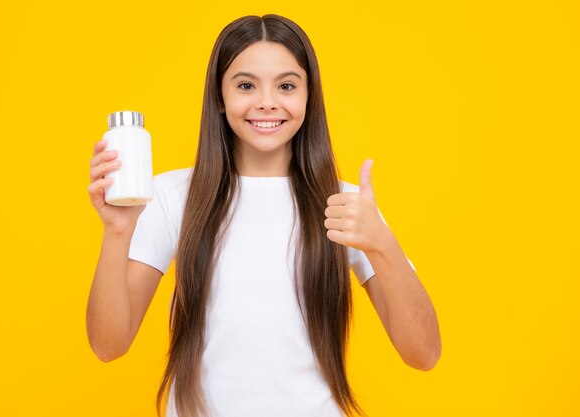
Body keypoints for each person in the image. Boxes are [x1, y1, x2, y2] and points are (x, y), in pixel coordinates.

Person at [86, 14, 441, 417]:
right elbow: (108, 345)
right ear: (219, 97)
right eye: (245, 85)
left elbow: (423, 354)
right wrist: (117, 232)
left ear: (309, 96)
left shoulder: (345, 204)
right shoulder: (172, 196)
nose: (267, 101)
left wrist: (383, 245)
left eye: (286, 85)